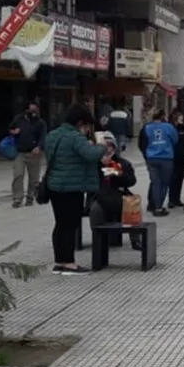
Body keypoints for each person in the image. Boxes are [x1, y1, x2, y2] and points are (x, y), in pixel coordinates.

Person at [44, 104, 112, 275]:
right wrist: (102, 145)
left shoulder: (53, 135)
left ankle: (59, 261)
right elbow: (91, 155)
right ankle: (69, 263)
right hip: (71, 187)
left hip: (54, 185)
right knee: (70, 224)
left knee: (60, 224)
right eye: (88, 125)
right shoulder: (75, 137)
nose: (88, 129)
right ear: (80, 123)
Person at [88, 137, 139, 249]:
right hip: (100, 196)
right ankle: (98, 240)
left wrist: (118, 175)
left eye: (109, 146)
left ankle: (136, 240)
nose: (107, 149)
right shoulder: (93, 163)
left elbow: (131, 180)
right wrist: (101, 166)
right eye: (103, 146)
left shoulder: (123, 163)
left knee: (133, 205)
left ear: (114, 148)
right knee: (95, 210)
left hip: (119, 195)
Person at [139, 109, 178, 217]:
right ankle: (160, 206)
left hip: (151, 158)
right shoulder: (169, 127)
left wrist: (146, 155)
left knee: (155, 182)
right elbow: (175, 140)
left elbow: (141, 143)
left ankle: (156, 206)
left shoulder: (146, 128)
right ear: (163, 116)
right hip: (166, 157)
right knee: (164, 183)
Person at [7, 103, 47, 208]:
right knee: (18, 174)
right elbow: (10, 128)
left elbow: (43, 137)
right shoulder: (19, 119)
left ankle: (30, 197)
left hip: (34, 153)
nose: (34, 113)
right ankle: (17, 198)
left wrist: (39, 146)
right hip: (20, 152)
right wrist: (14, 132)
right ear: (26, 111)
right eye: (32, 110)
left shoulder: (40, 123)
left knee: (33, 178)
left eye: (36, 110)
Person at [167, 109, 184, 211]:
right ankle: (172, 199)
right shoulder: (172, 128)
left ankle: (177, 199)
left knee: (180, 177)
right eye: (179, 117)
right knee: (173, 178)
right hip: (174, 156)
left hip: (183, 156)